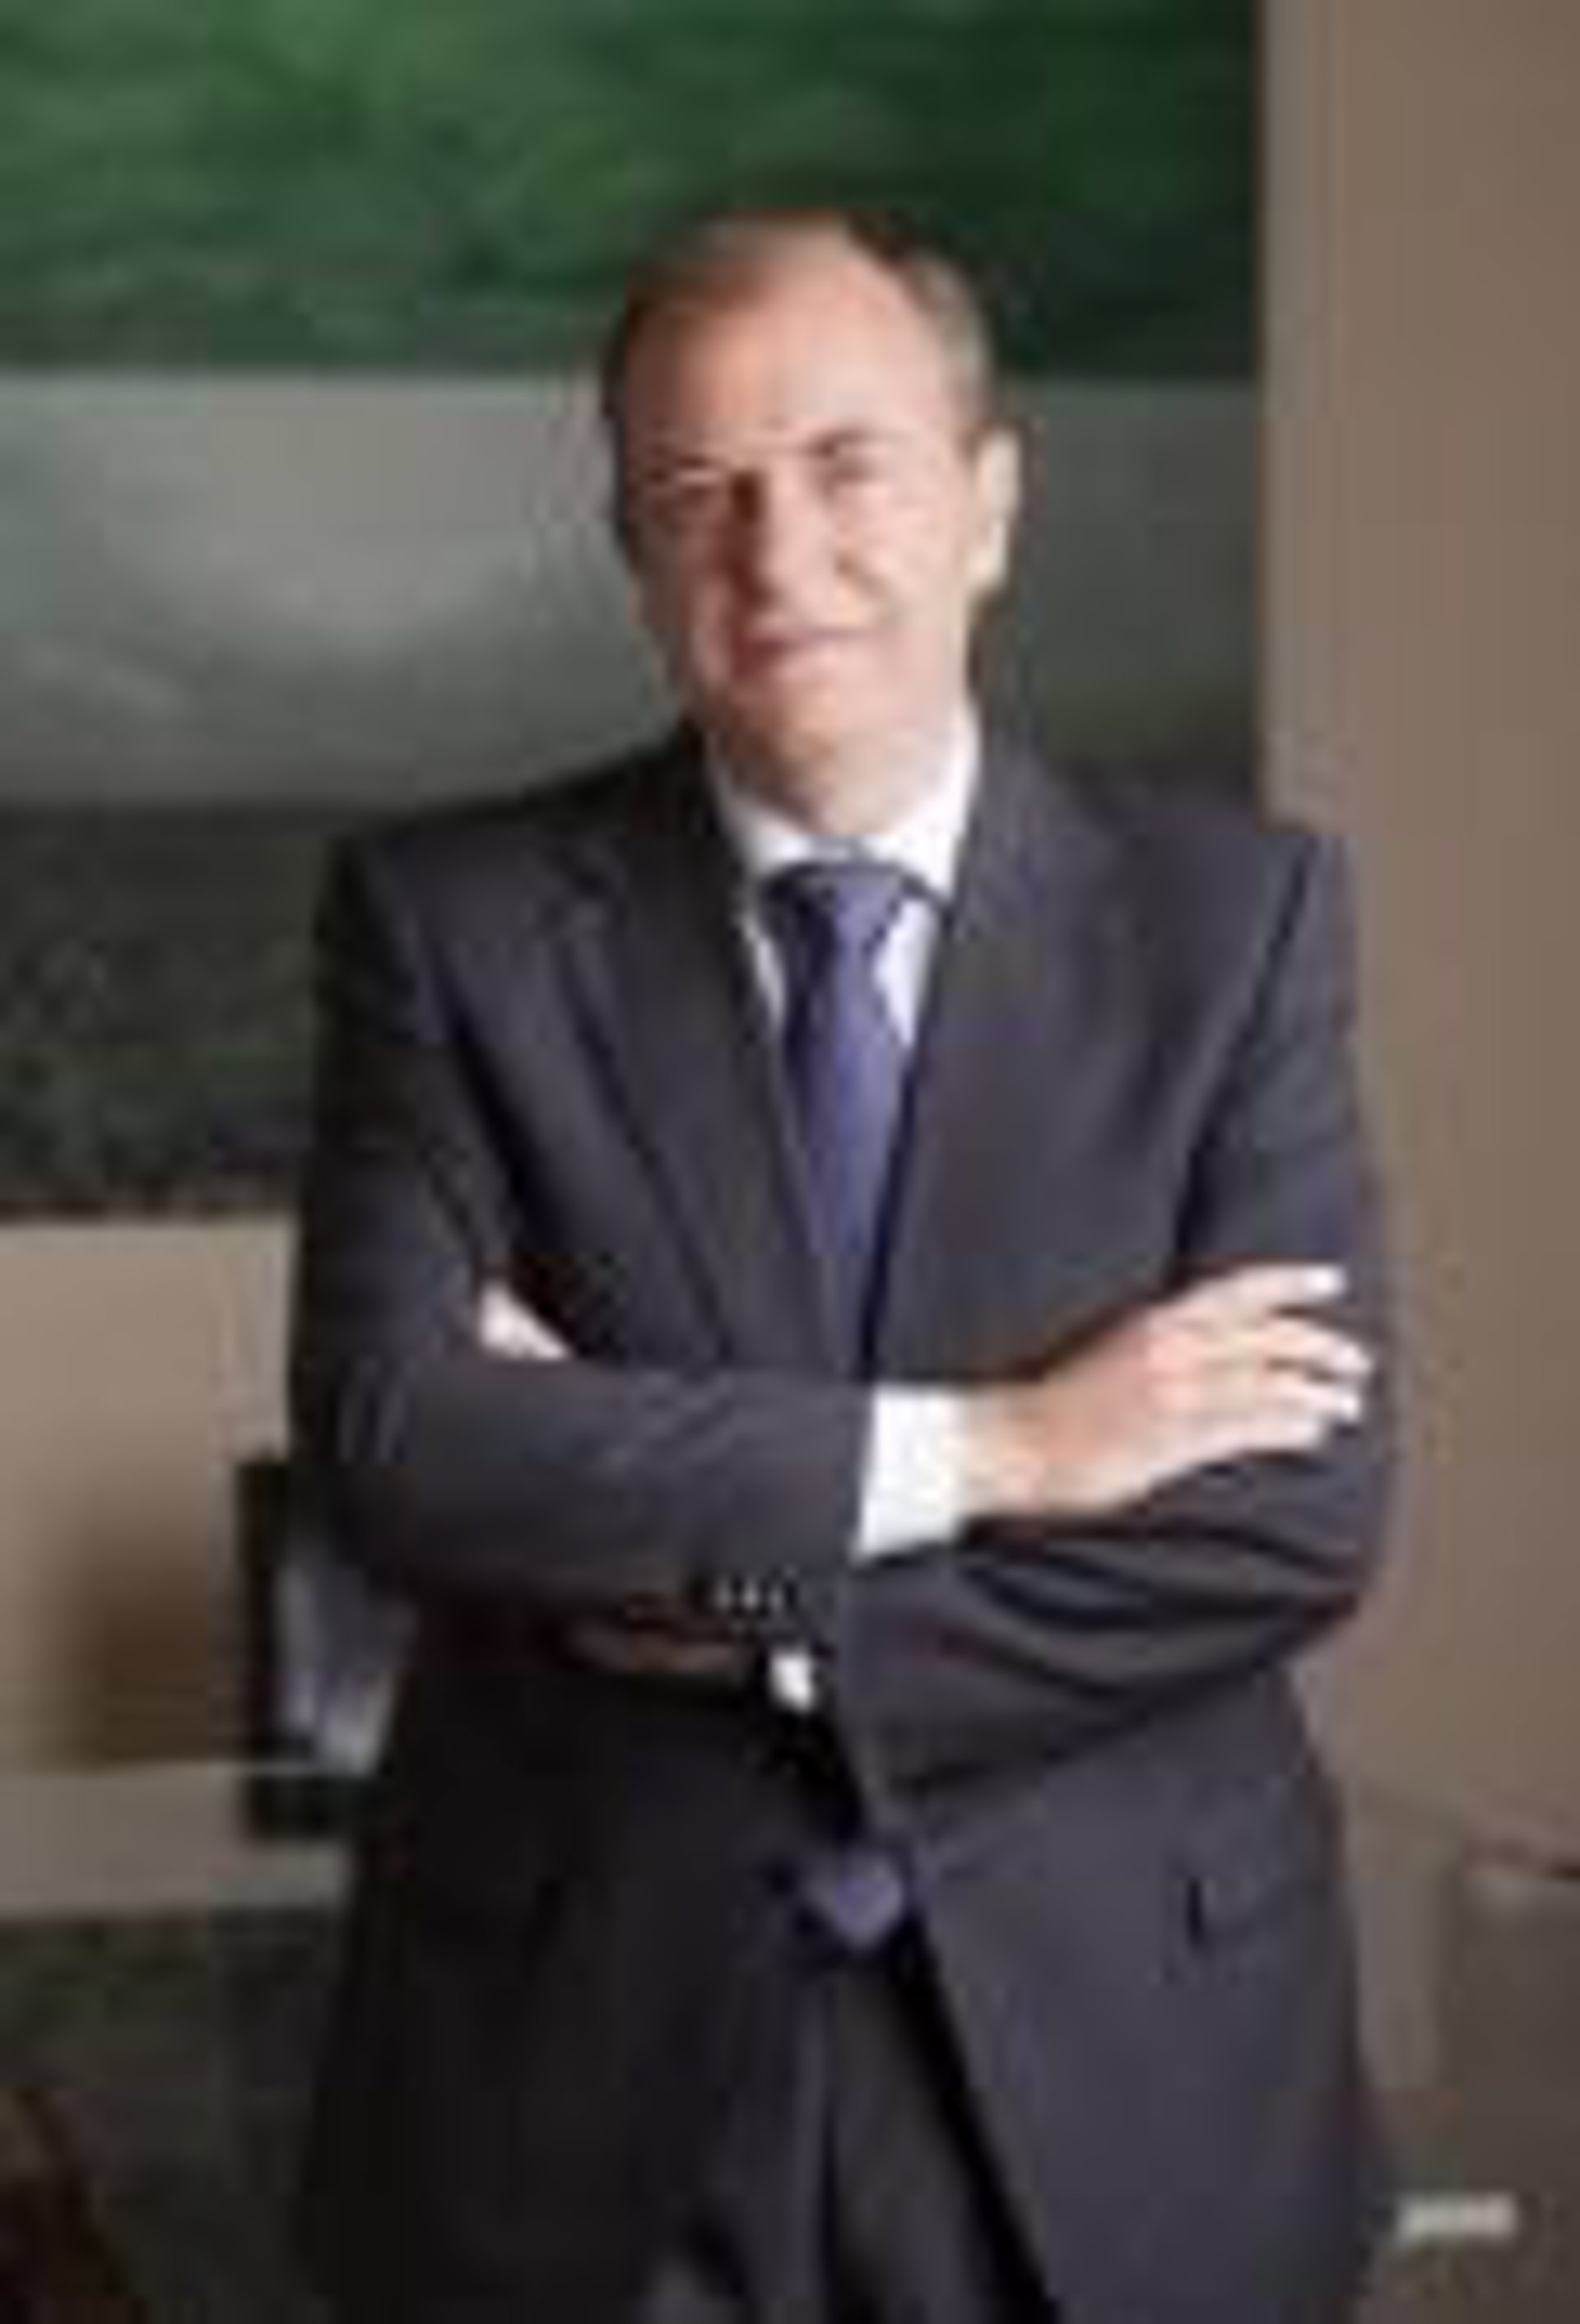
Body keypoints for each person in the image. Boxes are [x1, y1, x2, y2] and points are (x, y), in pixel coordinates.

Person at [290, 209, 1396, 2324]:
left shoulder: (1238, 921)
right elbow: (403, 1442)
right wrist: (1004, 1447)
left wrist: (740, 1605)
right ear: (632, 554)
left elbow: (1293, 1512)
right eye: (696, 490)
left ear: (991, 504)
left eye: (846, 465)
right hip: (580, 2075)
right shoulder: (448, 926)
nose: (776, 553)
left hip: (1127, 2065)